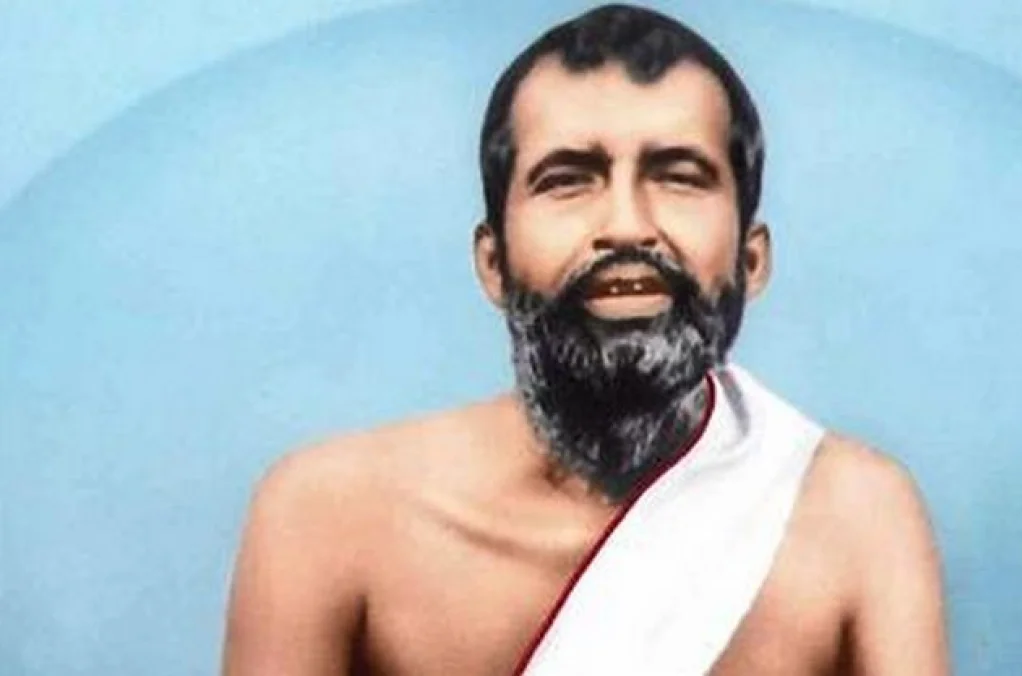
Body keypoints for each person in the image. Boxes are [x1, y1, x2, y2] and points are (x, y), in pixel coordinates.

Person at [222, 4, 949, 675]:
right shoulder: (331, 518)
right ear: (493, 263)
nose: (627, 226)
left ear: (750, 260)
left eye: (678, 175)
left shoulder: (857, 519)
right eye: (569, 179)